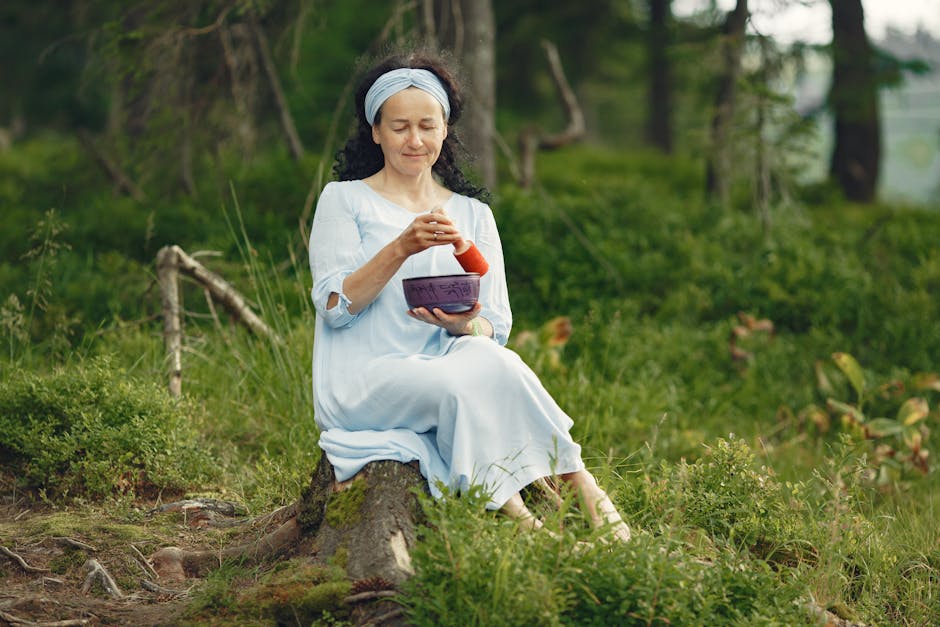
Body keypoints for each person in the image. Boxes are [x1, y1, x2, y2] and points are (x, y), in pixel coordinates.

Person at [307, 51, 630, 542]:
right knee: (460, 386)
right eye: (399, 127)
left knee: (497, 360)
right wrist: (400, 248)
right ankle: (529, 527)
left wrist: (462, 325)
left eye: (426, 126)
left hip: (448, 358)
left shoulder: (472, 215)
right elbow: (334, 308)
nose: (414, 140)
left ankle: (583, 485)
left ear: (444, 131)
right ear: (375, 131)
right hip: (366, 378)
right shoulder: (344, 199)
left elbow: (494, 326)